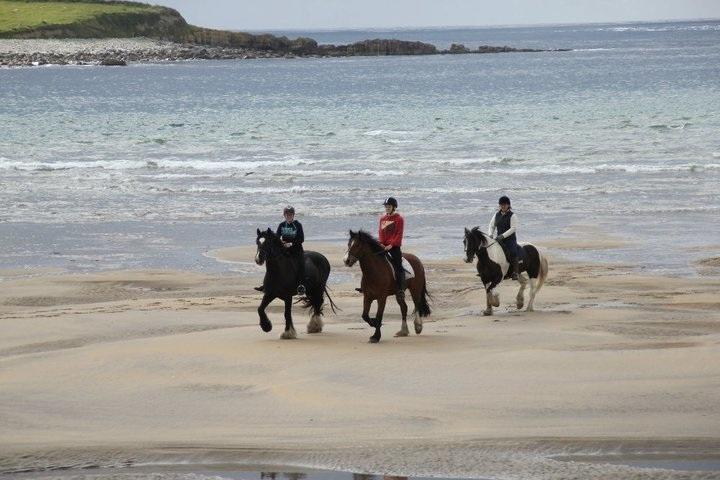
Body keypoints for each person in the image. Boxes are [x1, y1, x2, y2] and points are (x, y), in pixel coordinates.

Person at [255, 206, 306, 295]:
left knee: (300, 263)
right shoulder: (282, 225)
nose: (288, 216)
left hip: (296, 249)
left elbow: (301, 239)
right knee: (272, 262)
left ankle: (301, 285)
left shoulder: (298, 225)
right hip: (284, 250)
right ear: (284, 215)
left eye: (290, 214)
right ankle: (266, 284)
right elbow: (277, 238)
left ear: (293, 215)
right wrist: (281, 242)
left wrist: (291, 243)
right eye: (287, 214)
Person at [488, 195, 521, 280]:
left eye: (505, 204)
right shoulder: (496, 215)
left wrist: (503, 236)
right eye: (501, 204)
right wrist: (490, 234)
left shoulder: (512, 216)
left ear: (508, 205)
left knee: (513, 252)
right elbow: (491, 225)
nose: (503, 206)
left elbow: (513, 228)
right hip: (499, 239)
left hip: (510, 239)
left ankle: (515, 272)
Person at [379, 197, 406, 298]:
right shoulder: (382, 219)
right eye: (386, 206)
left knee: (398, 267)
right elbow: (381, 233)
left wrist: (391, 245)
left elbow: (399, 234)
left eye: (389, 206)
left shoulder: (399, 219)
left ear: (394, 207)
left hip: (394, 247)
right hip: (383, 246)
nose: (387, 208)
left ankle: (400, 289)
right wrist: (381, 243)